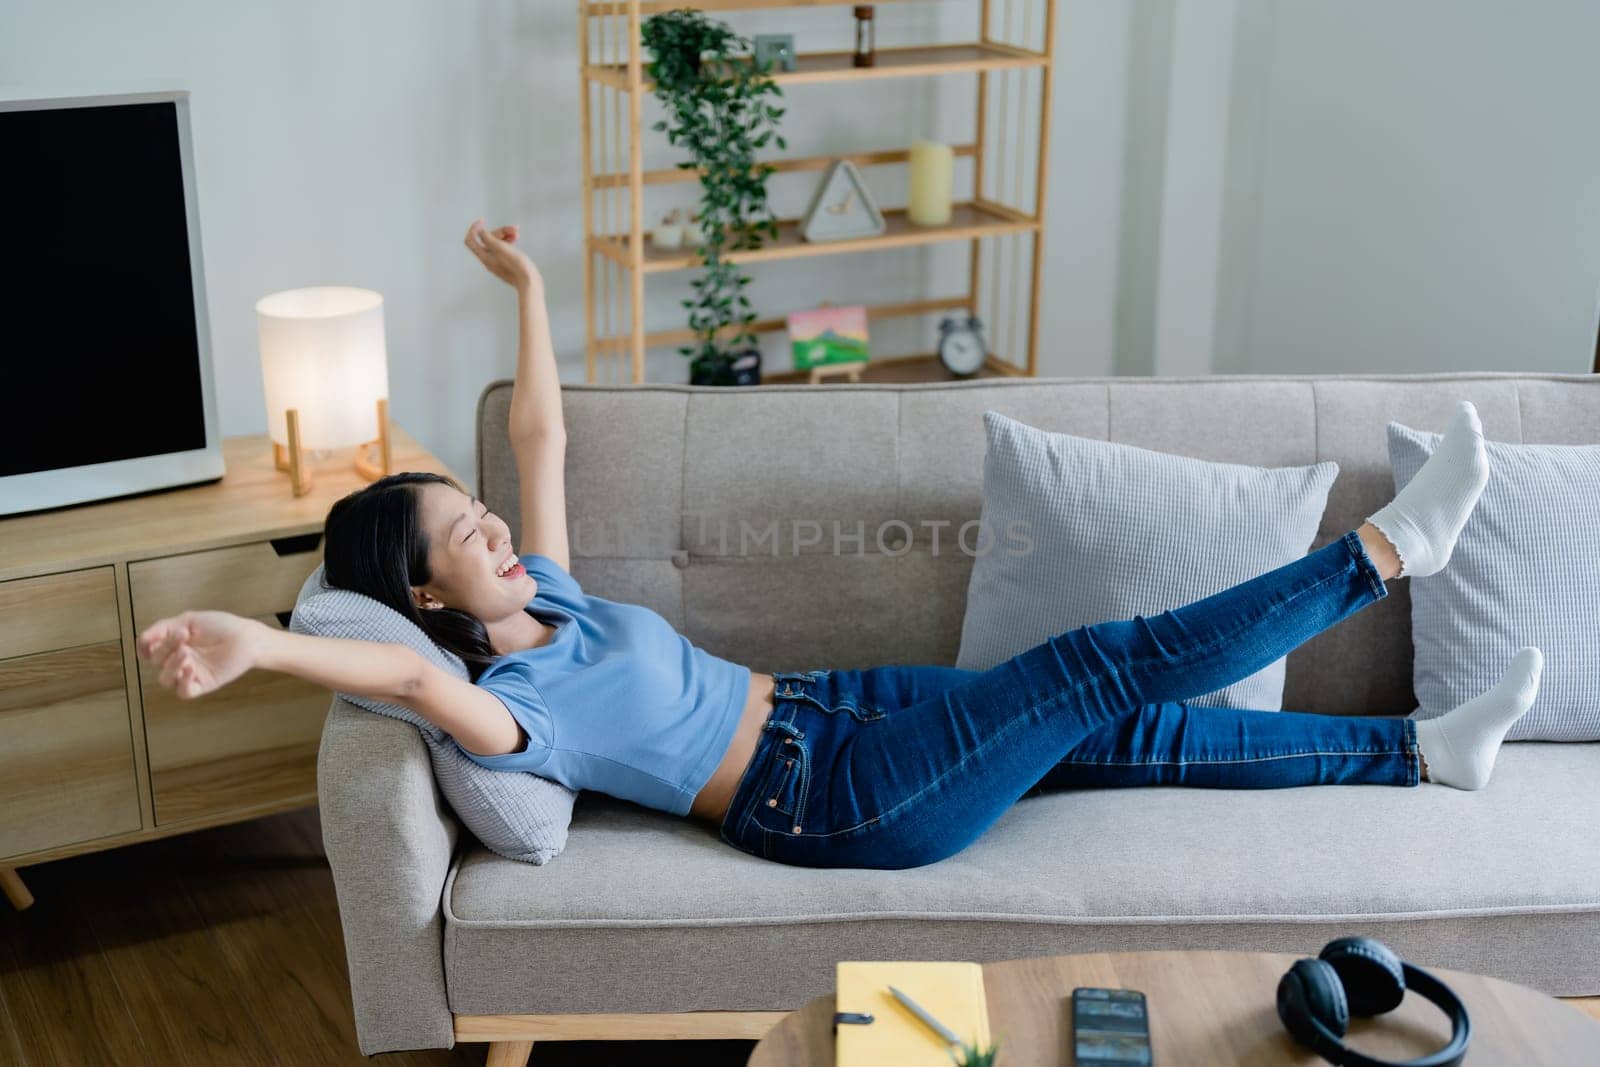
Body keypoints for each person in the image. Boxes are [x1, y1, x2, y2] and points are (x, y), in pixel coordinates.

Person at [135, 220, 1546, 872]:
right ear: (423, 591)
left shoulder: (548, 594)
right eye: (463, 533)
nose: (495, 527)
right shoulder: (509, 711)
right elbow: (406, 688)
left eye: (478, 510)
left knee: (1145, 735)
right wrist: (256, 640)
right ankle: (1388, 554)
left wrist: (532, 287)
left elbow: (545, 444)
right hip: (839, 801)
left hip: (856, 707)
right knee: (1109, 667)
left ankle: (1420, 752)